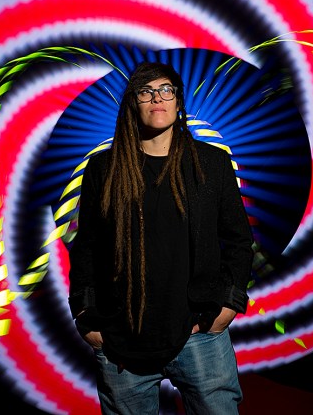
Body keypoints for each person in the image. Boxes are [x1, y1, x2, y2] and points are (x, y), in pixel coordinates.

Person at [68, 60, 255, 414]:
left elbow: (238, 240)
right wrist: (85, 313)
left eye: (166, 90)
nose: (157, 98)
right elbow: (87, 247)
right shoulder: (104, 169)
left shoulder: (211, 163)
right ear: (133, 102)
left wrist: (228, 303)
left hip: (199, 332)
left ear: (178, 101)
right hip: (122, 338)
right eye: (146, 91)